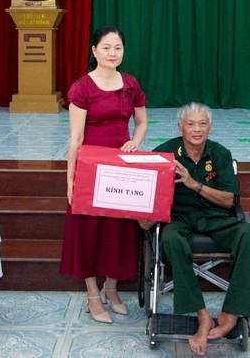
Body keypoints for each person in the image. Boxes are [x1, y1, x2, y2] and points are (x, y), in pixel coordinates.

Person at [142, 102, 250, 356]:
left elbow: (229, 200)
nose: (197, 129)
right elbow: (147, 194)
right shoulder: (164, 153)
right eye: (191, 124)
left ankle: (230, 313)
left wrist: (194, 185)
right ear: (180, 127)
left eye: (202, 124)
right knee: (171, 241)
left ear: (210, 127)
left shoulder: (220, 154)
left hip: (213, 214)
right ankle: (202, 315)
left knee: (247, 233)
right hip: (177, 217)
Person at [60, 25, 148, 324]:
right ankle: (93, 295)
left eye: (118, 48)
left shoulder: (131, 84)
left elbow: (141, 123)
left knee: (118, 231)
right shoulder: (82, 87)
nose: (112, 53)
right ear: (94, 51)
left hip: (121, 167)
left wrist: (135, 142)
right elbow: (75, 138)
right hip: (89, 168)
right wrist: (70, 179)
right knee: (89, 231)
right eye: (106, 47)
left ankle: (112, 289)